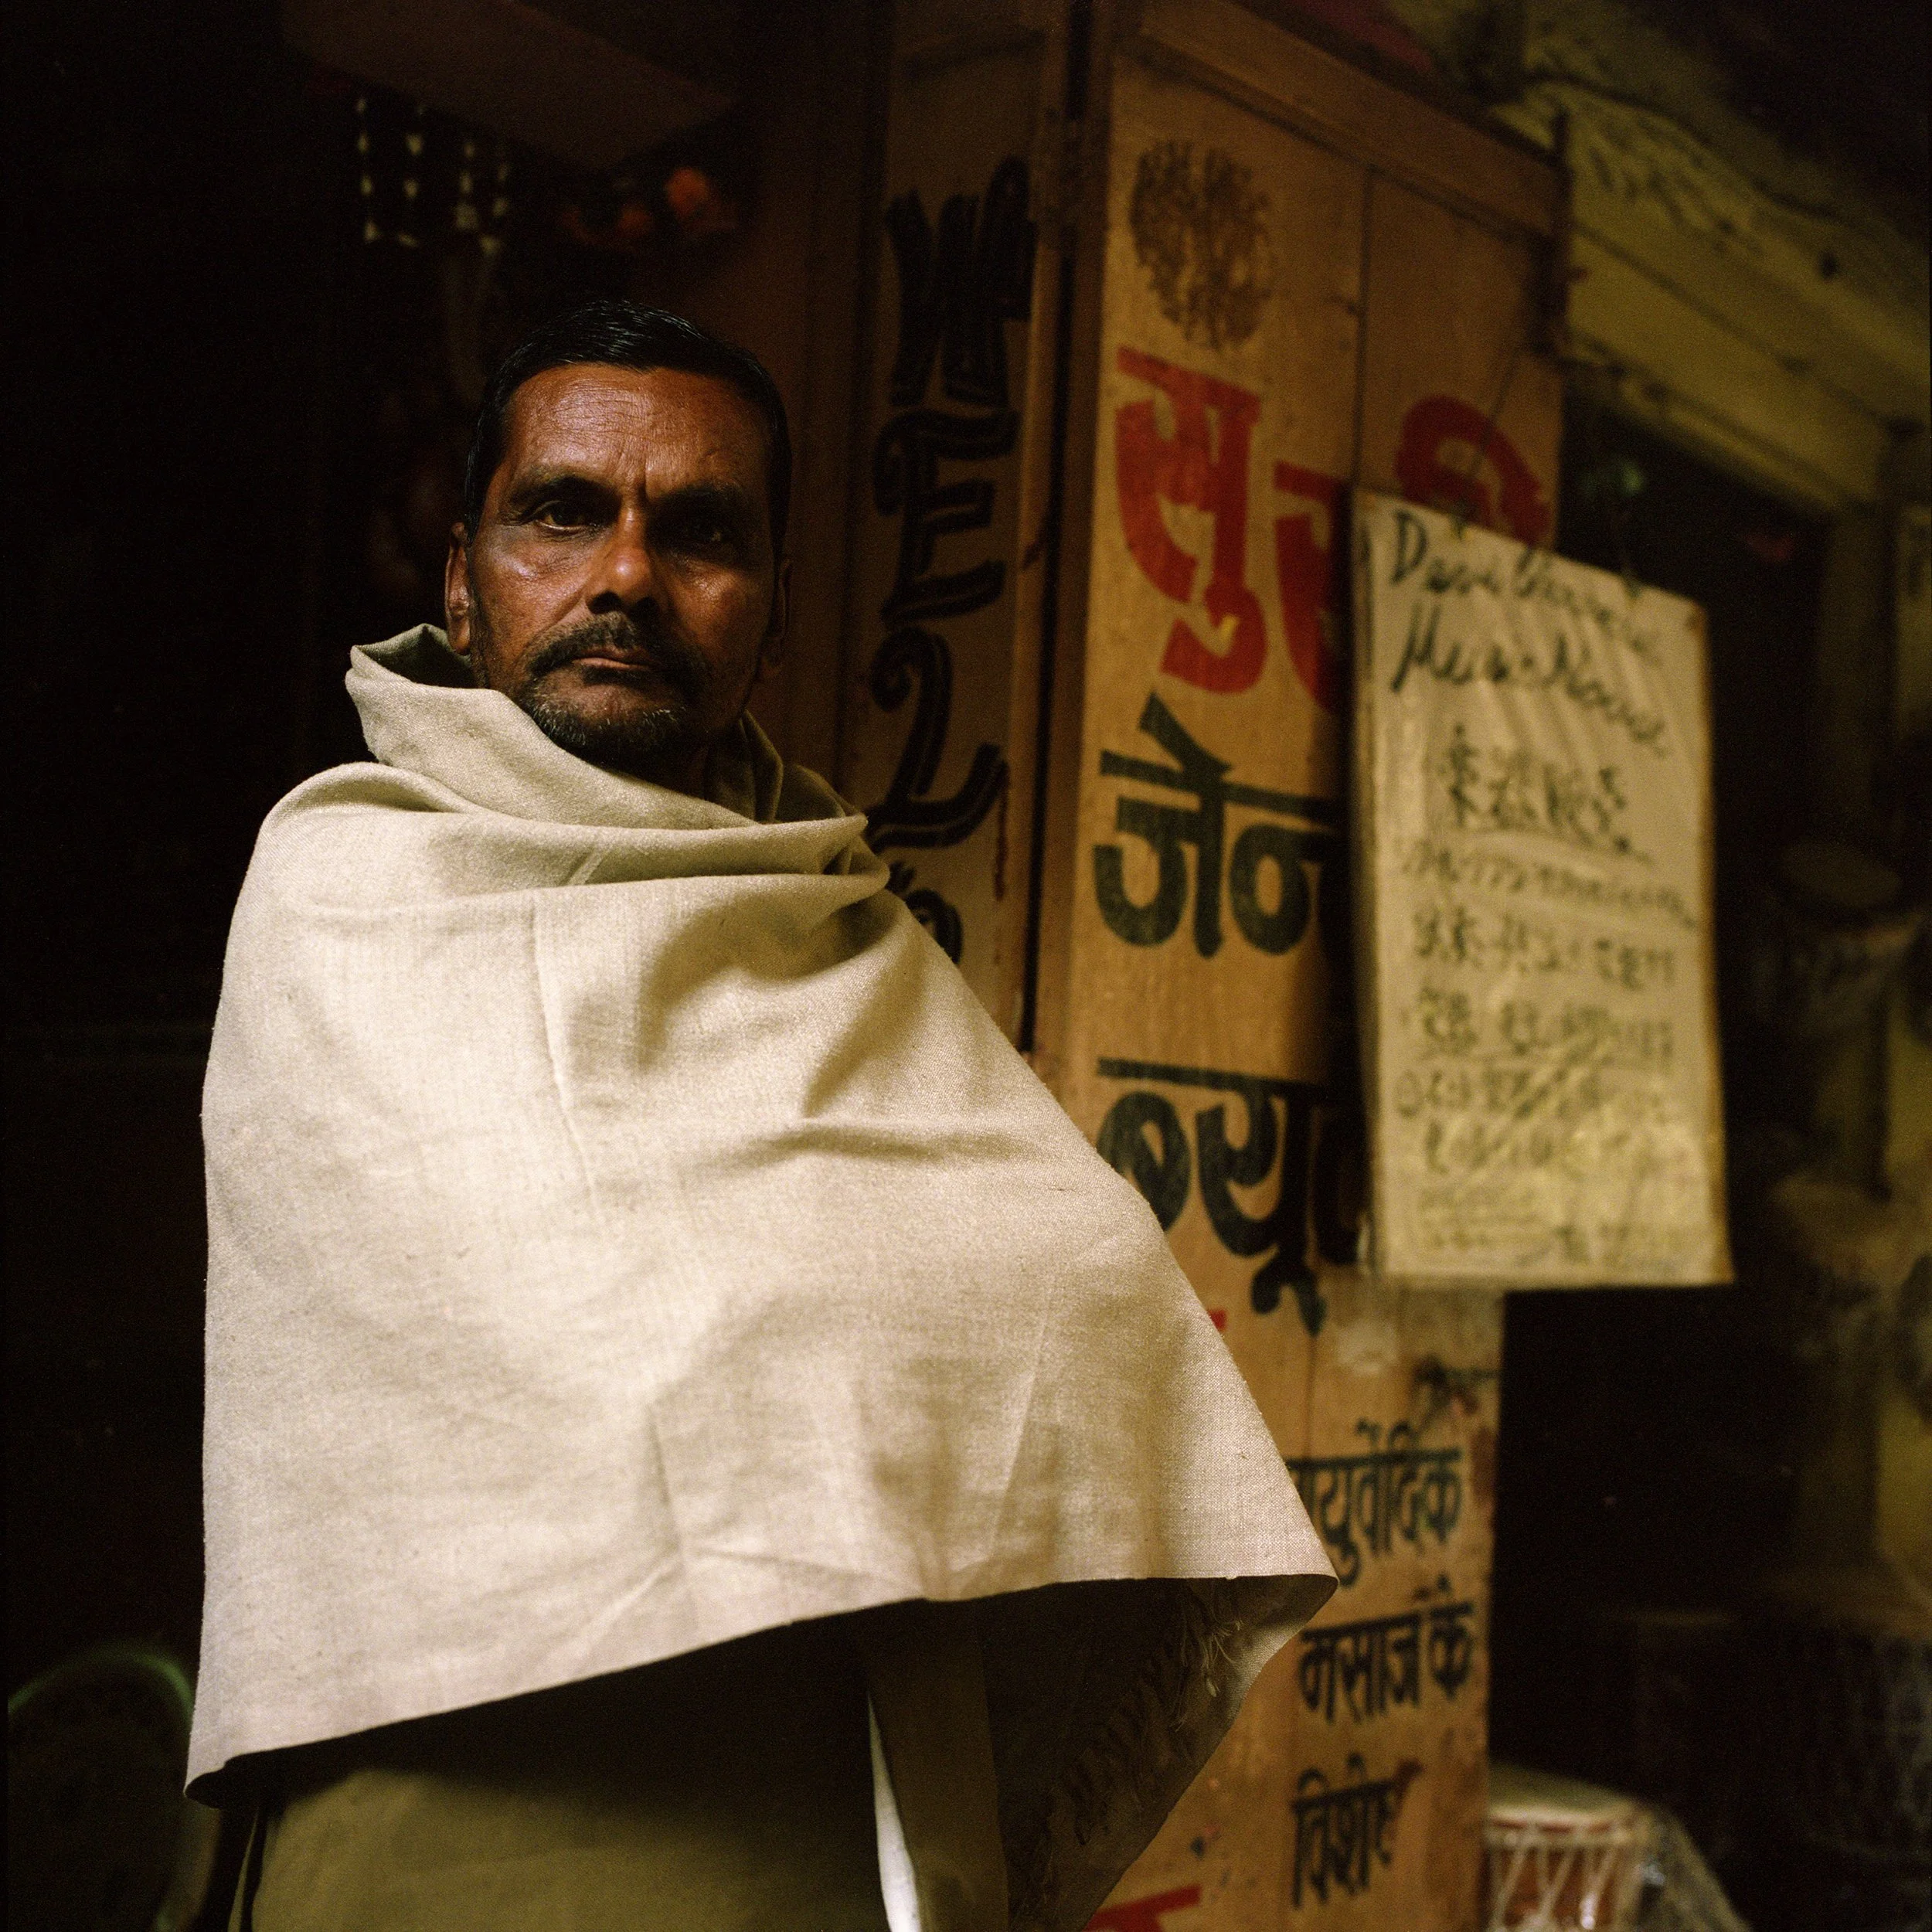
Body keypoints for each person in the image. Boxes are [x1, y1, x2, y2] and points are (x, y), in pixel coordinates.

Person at [192, 299, 1333, 1931]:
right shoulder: (348, 883)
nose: (628, 577)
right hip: (448, 1811)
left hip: (833, 1820)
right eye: (563, 511)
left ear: (775, 615)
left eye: (702, 531)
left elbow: (1076, 1306)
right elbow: (526, 1340)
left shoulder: (848, 928)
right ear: (461, 577)